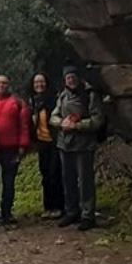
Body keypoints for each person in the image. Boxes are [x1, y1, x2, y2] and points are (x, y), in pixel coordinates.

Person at [51, 64, 105, 231]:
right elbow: (53, 116)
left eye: (73, 77)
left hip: (84, 144)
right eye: (68, 78)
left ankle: (88, 215)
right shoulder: (62, 96)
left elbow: (98, 120)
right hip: (64, 143)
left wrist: (78, 125)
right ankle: (71, 211)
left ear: (78, 77)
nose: (71, 80)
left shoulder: (90, 95)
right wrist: (62, 123)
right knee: (68, 180)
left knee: (85, 181)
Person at [0, 75, 32, 227]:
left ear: (9, 85)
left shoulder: (18, 102)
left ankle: (6, 213)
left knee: (9, 183)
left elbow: (24, 126)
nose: (1, 86)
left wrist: (23, 146)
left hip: (11, 149)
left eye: (4, 83)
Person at [28, 73, 63, 220]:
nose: (39, 85)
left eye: (42, 81)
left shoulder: (54, 100)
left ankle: (59, 206)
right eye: (36, 82)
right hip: (41, 142)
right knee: (45, 174)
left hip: (55, 141)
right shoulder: (33, 101)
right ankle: (48, 207)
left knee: (55, 174)